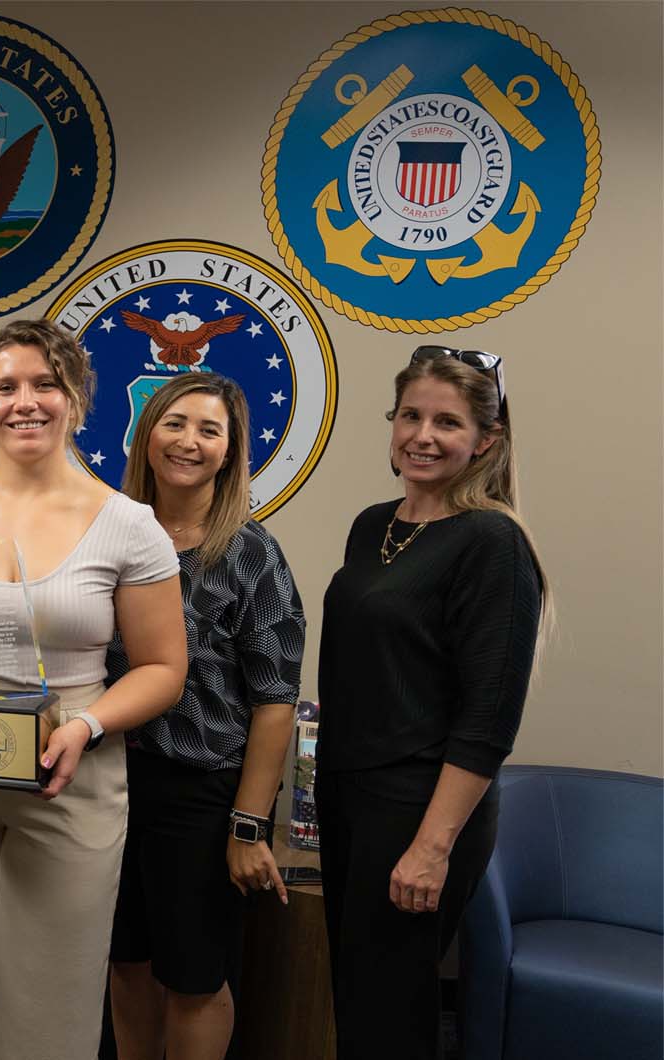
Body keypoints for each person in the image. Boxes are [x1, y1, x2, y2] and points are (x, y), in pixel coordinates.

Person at [0, 318, 187, 1060]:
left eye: (46, 384)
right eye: (6, 386)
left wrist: (85, 727)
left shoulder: (129, 525)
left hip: (70, 766)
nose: (26, 402)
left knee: (54, 987)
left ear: (76, 398)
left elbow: (162, 669)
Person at [317, 346, 546, 1059]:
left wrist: (431, 846)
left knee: (390, 1019)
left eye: (447, 422)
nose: (422, 435)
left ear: (486, 440)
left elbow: (489, 719)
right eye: (410, 416)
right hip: (349, 796)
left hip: (419, 807)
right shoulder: (373, 525)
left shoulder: (492, 541)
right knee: (357, 1003)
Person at [102, 373, 305, 1060]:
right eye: (175, 423)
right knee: (124, 962)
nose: (188, 441)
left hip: (202, 796)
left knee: (193, 980)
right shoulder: (111, 536)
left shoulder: (250, 553)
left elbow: (276, 701)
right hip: (109, 784)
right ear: (145, 435)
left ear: (229, 451)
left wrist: (249, 827)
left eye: (208, 430)